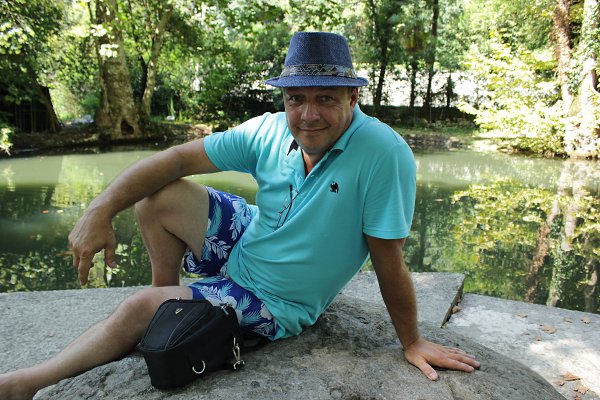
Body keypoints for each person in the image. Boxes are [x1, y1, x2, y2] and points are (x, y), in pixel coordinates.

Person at [0, 31, 479, 399]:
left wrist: (411, 341)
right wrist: (100, 208)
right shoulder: (269, 130)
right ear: (284, 99)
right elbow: (175, 160)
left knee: (136, 309)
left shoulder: (383, 154)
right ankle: (168, 306)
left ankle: (28, 383)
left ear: (353, 98)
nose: (308, 115)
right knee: (159, 196)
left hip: (275, 297)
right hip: (248, 240)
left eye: (325, 98)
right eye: (296, 99)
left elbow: (388, 259)